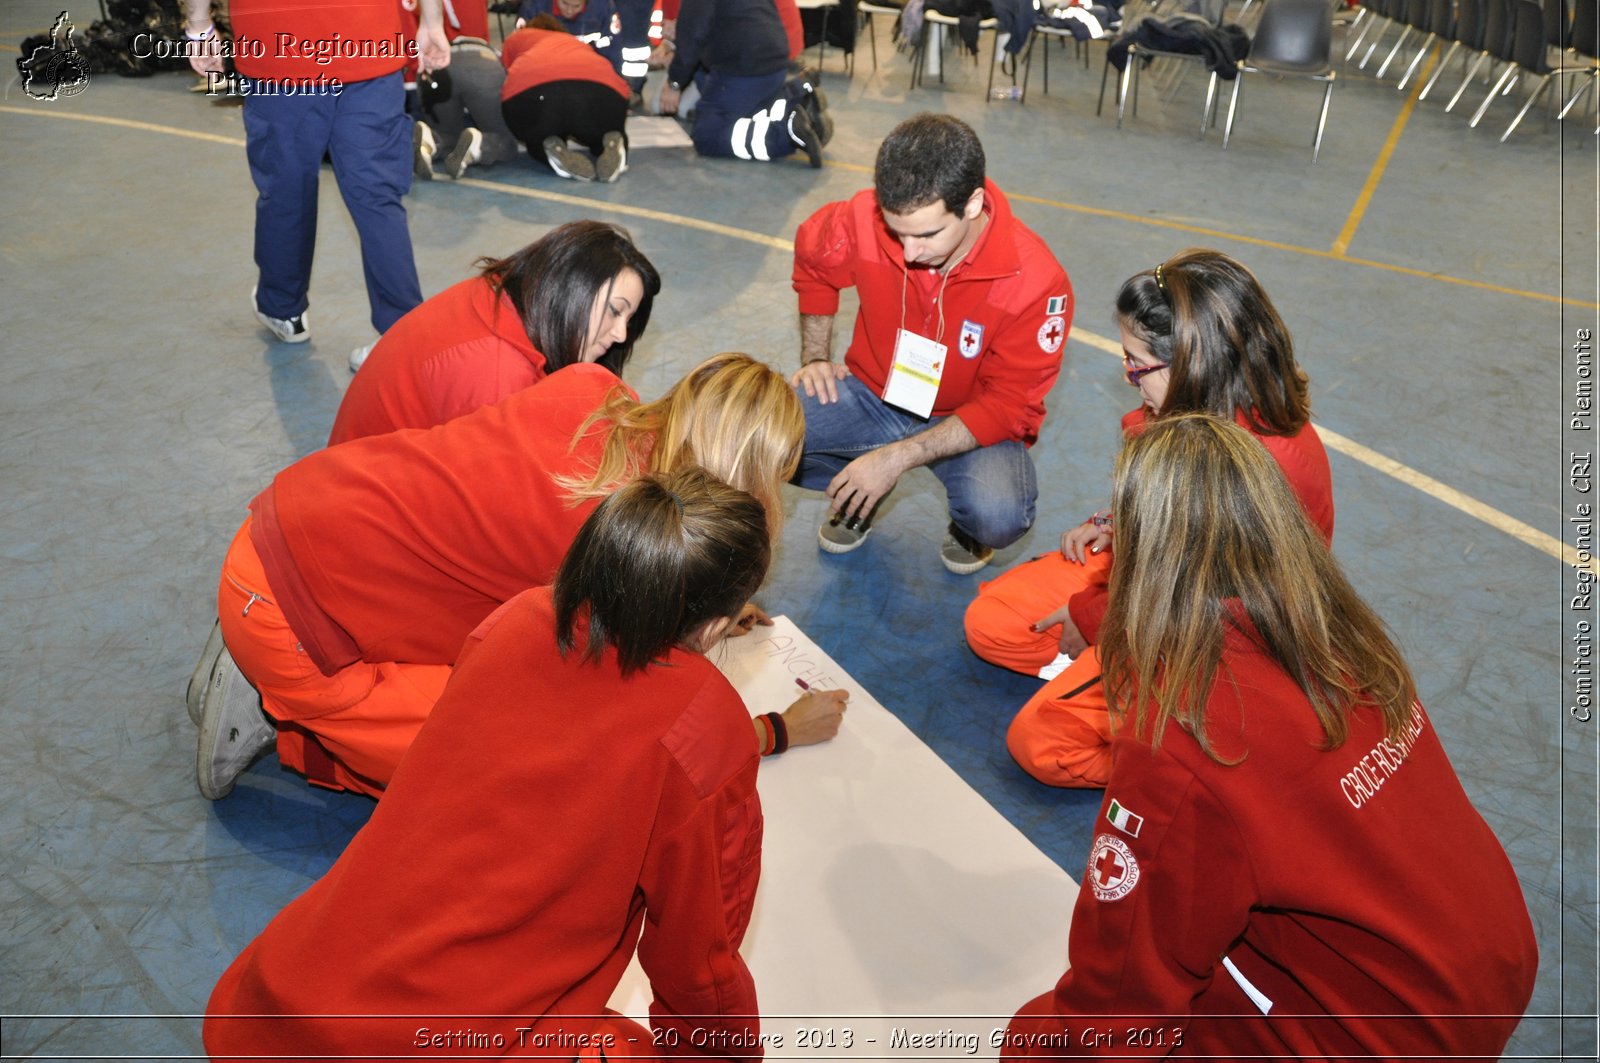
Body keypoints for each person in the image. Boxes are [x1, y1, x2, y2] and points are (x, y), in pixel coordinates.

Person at [1002, 414, 1538, 1062]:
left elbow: (1119, 1010)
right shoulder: (1338, 634)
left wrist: (1031, 1044)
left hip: (1391, 1034)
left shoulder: (1185, 732)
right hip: (1490, 967)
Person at [204, 469, 776, 1060]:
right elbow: (698, 964)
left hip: (273, 1005)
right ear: (712, 624)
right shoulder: (705, 725)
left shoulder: (521, 617)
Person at [189, 354, 845, 800]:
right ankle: (275, 699)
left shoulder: (593, 386)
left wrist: (713, 597)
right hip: (297, 620)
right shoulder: (621, 537)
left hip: (287, 520)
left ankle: (278, 682)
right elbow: (637, 736)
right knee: (516, 766)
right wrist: (776, 730)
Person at [964, 249, 1331, 787]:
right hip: (1149, 580)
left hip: (1208, 634)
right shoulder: (1196, 407)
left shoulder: (1243, 469)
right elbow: (1161, 538)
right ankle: (1111, 685)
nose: (1129, 375)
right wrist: (1117, 522)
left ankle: (1184, 756)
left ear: (1191, 362)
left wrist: (1095, 620)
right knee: (993, 624)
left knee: (1044, 746)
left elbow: (1195, 602)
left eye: (1137, 363)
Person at [790, 113, 1072, 574]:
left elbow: (1007, 406)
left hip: (968, 419)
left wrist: (895, 459)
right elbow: (815, 261)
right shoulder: (864, 216)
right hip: (870, 393)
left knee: (999, 515)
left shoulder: (1036, 282)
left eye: (926, 234)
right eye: (896, 232)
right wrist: (816, 356)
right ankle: (859, 498)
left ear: (974, 203)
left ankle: (964, 525)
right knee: (763, 438)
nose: (909, 253)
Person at [180, 0, 449, 363]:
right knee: (377, 196)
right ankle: (402, 337)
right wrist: (431, 20)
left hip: (279, 46)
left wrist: (199, 25)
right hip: (367, 40)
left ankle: (283, 308)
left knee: (286, 187)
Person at [333, 221, 659, 440]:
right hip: (372, 515)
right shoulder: (498, 371)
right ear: (571, 289)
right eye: (615, 311)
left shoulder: (500, 295)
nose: (620, 334)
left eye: (628, 321)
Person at [658, 0, 831, 167]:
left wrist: (674, 83)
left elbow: (693, 35)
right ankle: (797, 97)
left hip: (743, 69)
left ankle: (787, 133)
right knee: (739, 107)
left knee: (708, 137)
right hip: (774, 60)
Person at [499, 16, 633, 182]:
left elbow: (503, 74)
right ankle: (610, 142)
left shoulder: (518, 37)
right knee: (596, 128)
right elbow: (625, 90)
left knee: (538, 135)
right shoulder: (575, 42)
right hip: (600, 90)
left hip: (536, 93)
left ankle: (550, 148)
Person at [405, 0, 521, 182]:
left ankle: (431, 141)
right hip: (478, 57)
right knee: (506, 142)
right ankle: (479, 144)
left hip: (434, 61)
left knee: (449, 136)